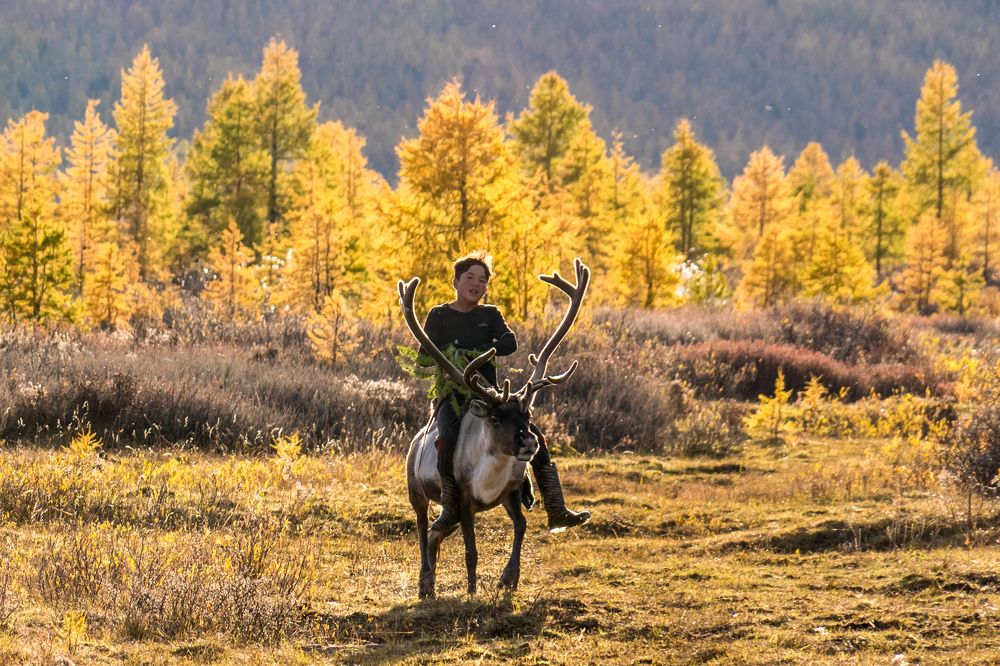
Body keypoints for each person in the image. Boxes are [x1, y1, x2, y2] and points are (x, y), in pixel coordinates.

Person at [421, 250, 591, 533]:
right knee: (448, 437)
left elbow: (509, 343)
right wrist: (448, 356)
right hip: (451, 396)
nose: (476, 284)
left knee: (533, 436)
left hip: (490, 397)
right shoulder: (438, 315)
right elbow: (422, 359)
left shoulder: (490, 314)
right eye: (470, 278)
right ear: (456, 282)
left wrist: (486, 350)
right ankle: (450, 507)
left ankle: (556, 507)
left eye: (482, 280)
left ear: (486, 287)